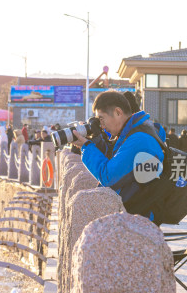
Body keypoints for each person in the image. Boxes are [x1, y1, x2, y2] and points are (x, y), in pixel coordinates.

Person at [71, 90, 165, 221]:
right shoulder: (134, 133)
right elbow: (113, 158)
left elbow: (108, 176)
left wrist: (86, 147)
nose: (102, 126)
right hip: (134, 211)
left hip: (138, 217)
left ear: (118, 112)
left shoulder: (138, 139)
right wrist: (93, 141)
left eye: (102, 119)